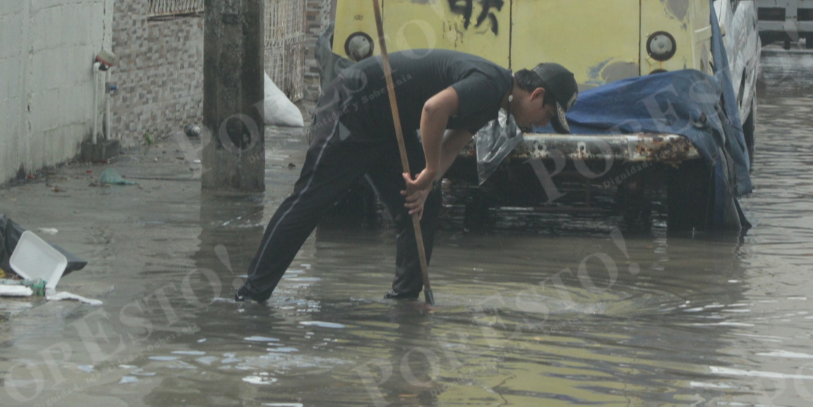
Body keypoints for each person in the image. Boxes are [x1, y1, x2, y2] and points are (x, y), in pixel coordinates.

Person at [235, 50, 579, 303]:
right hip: (353, 107)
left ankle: (404, 301)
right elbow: (433, 109)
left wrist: (427, 183)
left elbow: (450, 146)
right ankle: (252, 294)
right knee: (312, 200)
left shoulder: (495, 102)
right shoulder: (491, 84)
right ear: (536, 95)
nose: (541, 125)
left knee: (423, 206)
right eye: (546, 115)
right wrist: (428, 170)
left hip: (387, 128)